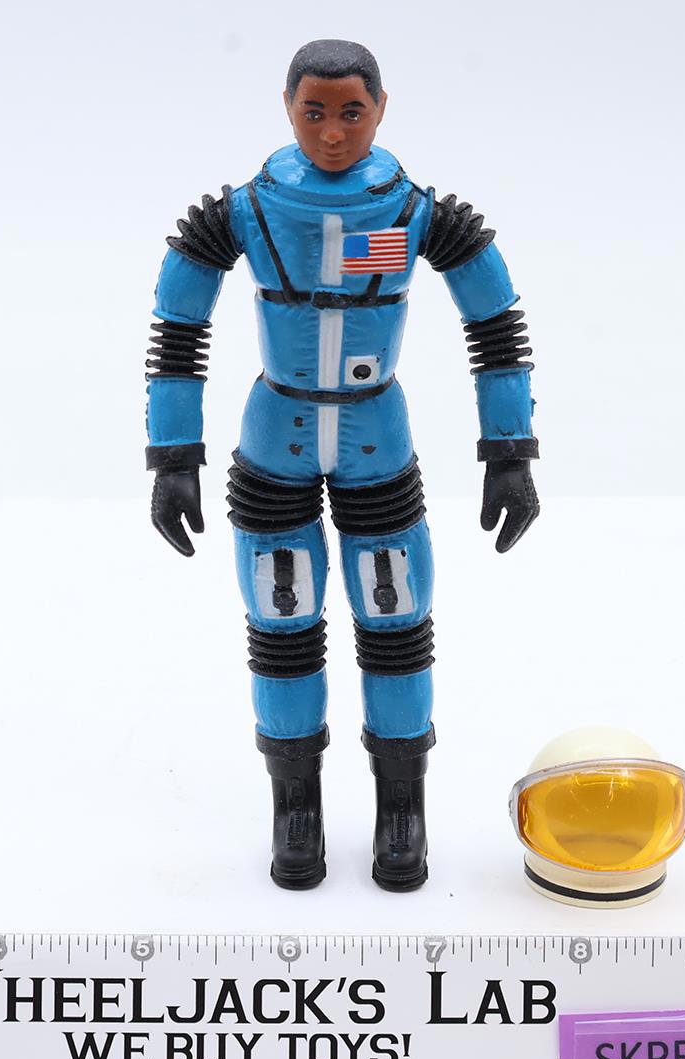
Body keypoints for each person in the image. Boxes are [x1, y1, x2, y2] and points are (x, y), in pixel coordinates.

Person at [143, 39, 540, 891]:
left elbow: (495, 324)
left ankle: (403, 804)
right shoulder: (246, 210)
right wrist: (173, 456)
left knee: (396, 615)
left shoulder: (415, 214)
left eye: (351, 112)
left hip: (376, 439)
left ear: (381, 109)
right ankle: (296, 805)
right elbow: (178, 329)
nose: (331, 133)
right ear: (287, 108)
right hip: (274, 440)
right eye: (314, 112)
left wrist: (509, 450)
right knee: (279, 618)